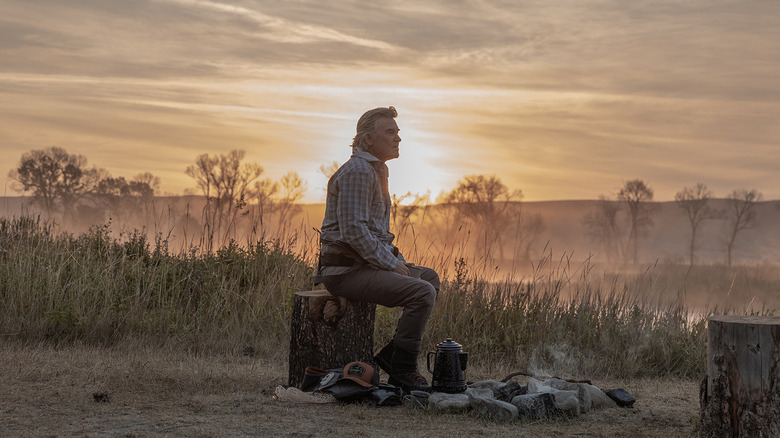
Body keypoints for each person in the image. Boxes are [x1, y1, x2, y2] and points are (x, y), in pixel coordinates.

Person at [317, 106, 440, 392]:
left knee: (428, 279)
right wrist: (390, 264)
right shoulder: (359, 171)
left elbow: (377, 233)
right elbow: (354, 232)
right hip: (345, 271)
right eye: (390, 132)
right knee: (422, 292)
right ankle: (403, 369)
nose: (398, 138)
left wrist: (398, 260)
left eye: (398, 133)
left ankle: (392, 354)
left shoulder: (376, 170)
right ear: (368, 138)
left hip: (364, 266)